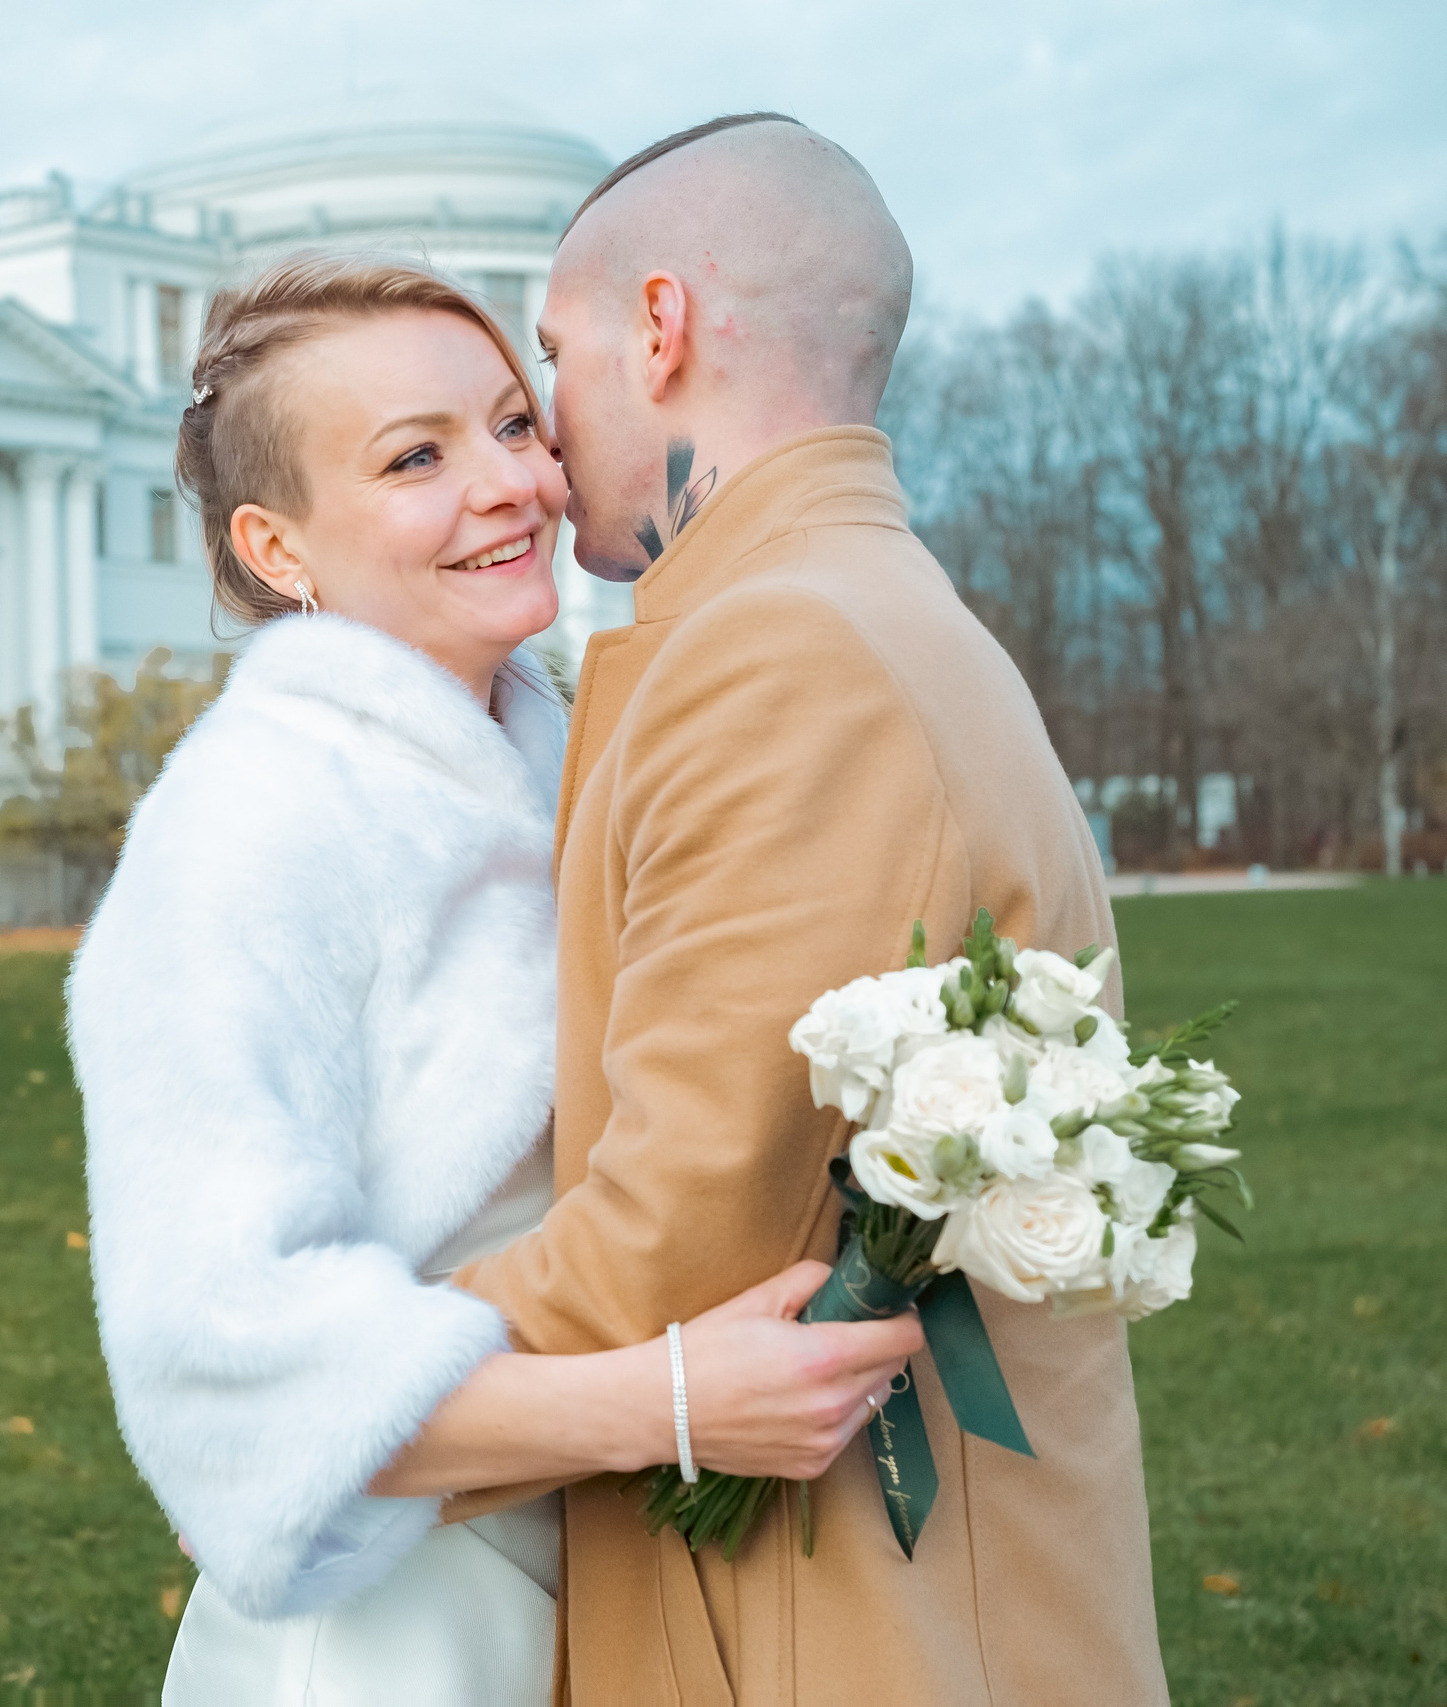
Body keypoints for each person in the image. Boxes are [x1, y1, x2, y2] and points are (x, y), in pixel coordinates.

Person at [66, 254, 925, 1705]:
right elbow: (221, 1364)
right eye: (416, 456)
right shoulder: (244, 828)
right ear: (279, 549)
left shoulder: (565, 750)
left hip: (605, 1585)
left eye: (515, 425)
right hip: (389, 1632)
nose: (511, 483)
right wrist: (662, 1402)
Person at [448, 114, 1170, 1704]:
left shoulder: (788, 655)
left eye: (553, 359)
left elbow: (672, 1244)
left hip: (826, 1628)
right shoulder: (858, 611)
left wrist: (318, 1397)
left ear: (662, 326)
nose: (545, 440)